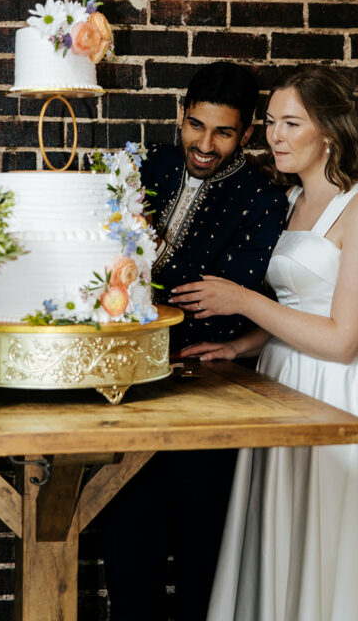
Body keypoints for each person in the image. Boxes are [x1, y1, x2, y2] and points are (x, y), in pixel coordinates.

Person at [172, 64, 358, 621]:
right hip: (283, 382)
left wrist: (242, 300)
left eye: (292, 123)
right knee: (284, 536)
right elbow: (300, 306)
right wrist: (240, 347)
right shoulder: (289, 201)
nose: (276, 136)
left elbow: (346, 338)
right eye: (271, 122)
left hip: (338, 389)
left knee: (332, 541)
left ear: (327, 130)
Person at [101, 61, 287, 621]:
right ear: (181, 117)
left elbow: (219, 296)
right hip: (131, 385)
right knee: (127, 546)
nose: (205, 145)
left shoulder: (261, 198)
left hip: (210, 390)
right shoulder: (147, 166)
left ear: (246, 134)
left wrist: (146, 252)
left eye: (223, 133)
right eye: (196, 126)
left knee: (202, 557)